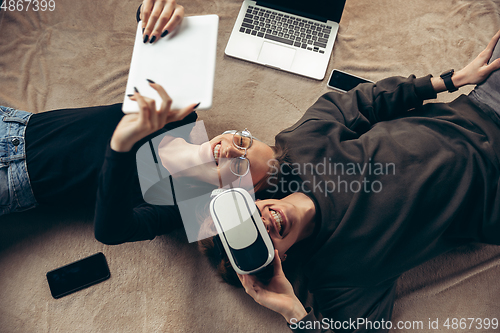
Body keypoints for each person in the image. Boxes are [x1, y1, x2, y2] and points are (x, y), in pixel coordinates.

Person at [199, 30, 500, 333]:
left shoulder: (301, 146)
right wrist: (292, 310)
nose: (262, 225)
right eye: (257, 241)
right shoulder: (337, 278)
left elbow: (366, 101)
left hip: (481, 108)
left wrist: (451, 80)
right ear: (279, 260)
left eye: (248, 218)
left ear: (252, 200)